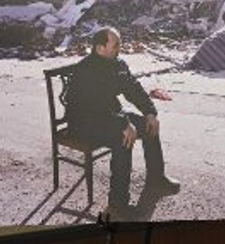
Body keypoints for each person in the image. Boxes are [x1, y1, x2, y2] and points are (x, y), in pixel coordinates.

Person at [64, 27, 179, 218]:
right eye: (116, 45)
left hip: (108, 116)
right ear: (100, 48)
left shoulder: (117, 64)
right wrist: (122, 124)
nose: (120, 48)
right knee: (123, 138)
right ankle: (118, 205)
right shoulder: (87, 70)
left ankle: (156, 177)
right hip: (83, 122)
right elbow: (94, 105)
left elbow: (133, 89)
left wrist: (150, 112)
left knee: (147, 125)